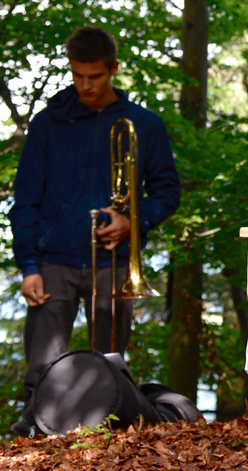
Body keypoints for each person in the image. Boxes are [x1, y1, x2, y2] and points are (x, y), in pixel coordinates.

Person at [10, 26, 181, 437]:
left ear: (113, 69)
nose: (85, 85)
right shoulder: (47, 124)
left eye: (95, 76)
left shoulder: (145, 124)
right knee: (41, 368)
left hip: (114, 262)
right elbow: (26, 199)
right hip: (53, 262)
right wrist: (29, 266)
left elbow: (167, 192)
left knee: (110, 363)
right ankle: (37, 435)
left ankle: (107, 440)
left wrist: (132, 222)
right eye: (77, 75)